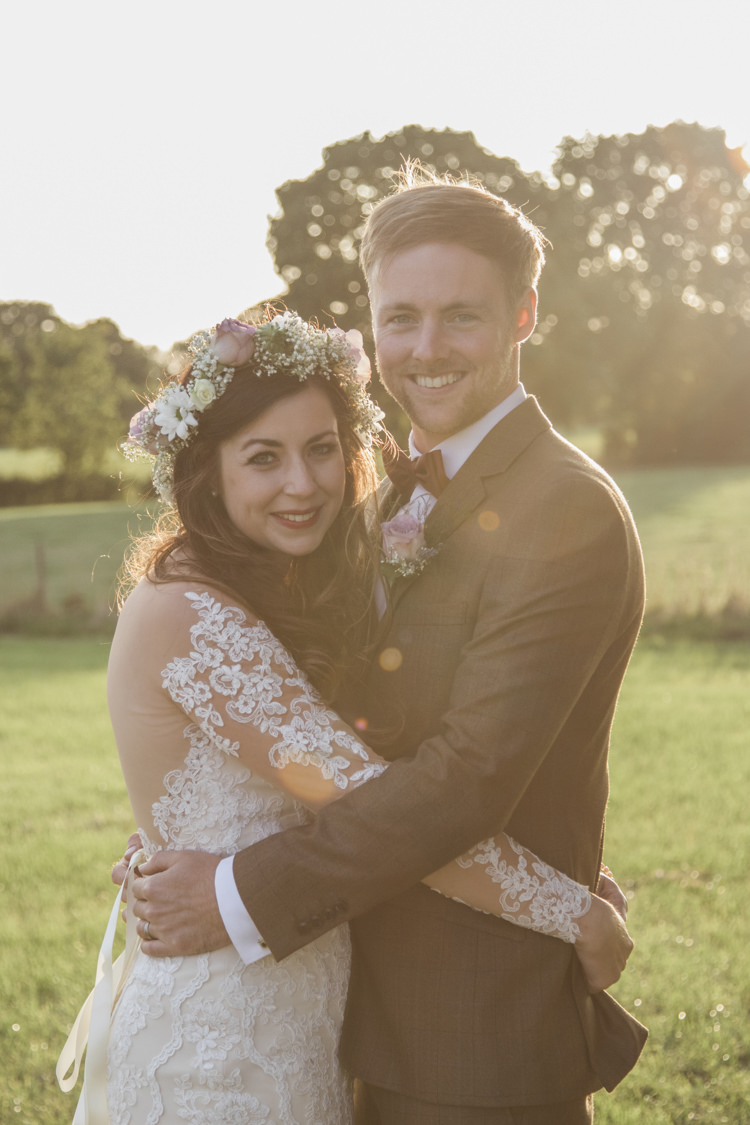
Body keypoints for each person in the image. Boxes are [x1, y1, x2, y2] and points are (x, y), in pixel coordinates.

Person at [76, 309, 635, 1125]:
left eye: (322, 448)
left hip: (307, 1006)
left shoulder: (275, 585)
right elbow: (375, 800)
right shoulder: (194, 616)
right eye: (263, 457)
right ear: (208, 469)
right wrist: (571, 907)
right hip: (226, 1032)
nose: (303, 484)